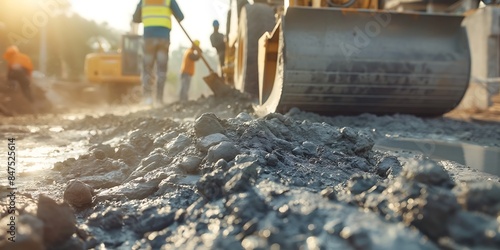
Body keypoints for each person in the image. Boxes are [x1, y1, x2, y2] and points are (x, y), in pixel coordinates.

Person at [133, 0, 184, 106]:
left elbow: (135, 19)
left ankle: (148, 99)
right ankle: (159, 100)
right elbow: (181, 16)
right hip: (163, 38)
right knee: (161, 70)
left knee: (147, 68)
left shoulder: (144, 1)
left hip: (149, 38)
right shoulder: (169, 1)